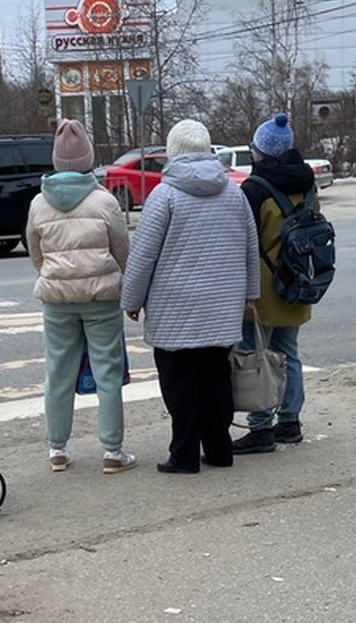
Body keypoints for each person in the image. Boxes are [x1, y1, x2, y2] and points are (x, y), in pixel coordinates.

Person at [121, 119, 260, 474]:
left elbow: (143, 254)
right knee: (216, 378)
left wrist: (131, 300)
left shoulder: (164, 196)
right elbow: (250, 247)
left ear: (172, 152)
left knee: (179, 384)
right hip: (222, 307)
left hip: (174, 308)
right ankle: (219, 449)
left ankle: (183, 455)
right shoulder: (234, 193)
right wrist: (250, 293)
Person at [26, 119, 136, 475]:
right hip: (101, 298)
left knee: (58, 371)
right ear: (89, 158)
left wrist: (50, 276)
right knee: (107, 371)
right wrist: (120, 281)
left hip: (57, 298)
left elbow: (35, 252)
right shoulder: (104, 201)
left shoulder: (38, 204)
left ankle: (57, 448)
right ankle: (112, 452)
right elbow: (122, 249)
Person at [232, 113, 317, 455]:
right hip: (298, 280)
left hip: (263, 289)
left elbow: (245, 242)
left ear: (261, 152)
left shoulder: (254, 190)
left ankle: (260, 427)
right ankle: (290, 422)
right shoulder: (307, 183)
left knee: (257, 355)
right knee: (289, 353)